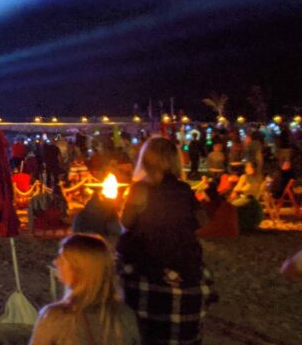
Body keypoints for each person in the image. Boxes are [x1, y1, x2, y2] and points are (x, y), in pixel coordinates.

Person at [117, 137, 214, 344]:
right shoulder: (183, 189)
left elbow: (126, 223)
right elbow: (203, 221)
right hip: (184, 262)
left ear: (146, 160)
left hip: (147, 263)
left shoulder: (140, 189)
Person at [30, 233, 140, 345]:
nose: (56, 262)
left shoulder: (56, 317)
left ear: (78, 269)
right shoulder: (125, 315)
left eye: (63, 259)